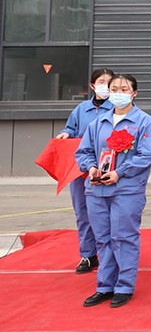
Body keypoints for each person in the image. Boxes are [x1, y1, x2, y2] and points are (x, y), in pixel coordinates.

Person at [76, 74, 151, 308]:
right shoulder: (97, 122)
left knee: (123, 238)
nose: (118, 93)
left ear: (134, 93)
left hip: (126, 190)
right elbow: (83, 151)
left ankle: (124, 286)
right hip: (97, 189)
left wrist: (120, 172)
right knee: (102, 238)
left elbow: (146, 155)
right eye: (114, 89)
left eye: (124, 89)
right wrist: (91, 168)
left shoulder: (143, 121)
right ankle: (104, 286)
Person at [55, 67, 115, 273]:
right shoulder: (81, 109)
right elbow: (70, 129)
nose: (105, 86)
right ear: (92, 85)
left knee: (107, 212)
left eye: (109, 83)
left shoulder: (117, 108)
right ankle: (88, 254)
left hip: (108, 166)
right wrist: (65, 134)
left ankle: (110, 253)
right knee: (83, 211)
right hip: (81, 168)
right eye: (101, 82)